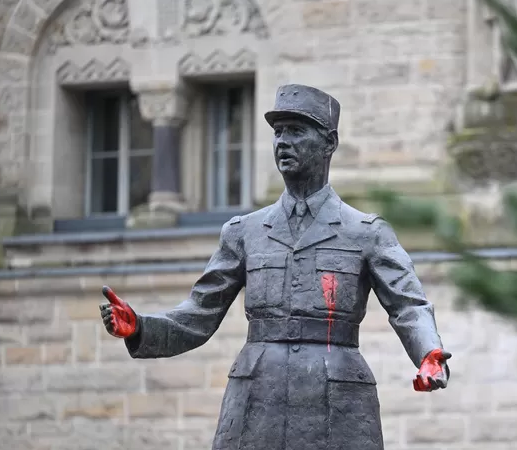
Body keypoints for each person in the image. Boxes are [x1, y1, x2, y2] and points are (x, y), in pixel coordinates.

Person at [99, 84, 451, 450]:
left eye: (296, 131)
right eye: (278, 132)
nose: (282, 142)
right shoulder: (243, 232)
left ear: (329, 143)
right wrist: (140, 327)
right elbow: (199, 314)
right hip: (257, 398)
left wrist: (429, 353)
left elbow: (408, 304)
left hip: (340, 402)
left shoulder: (366, 232)